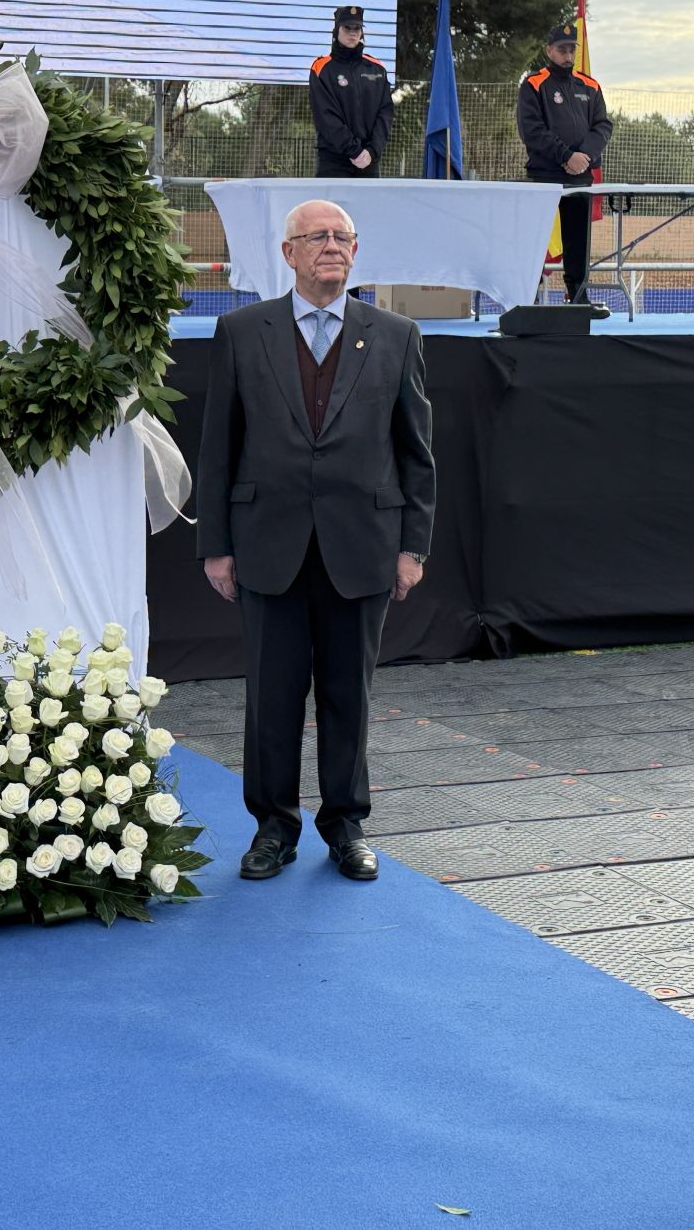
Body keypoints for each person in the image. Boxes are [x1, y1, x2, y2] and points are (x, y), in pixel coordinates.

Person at [196, 199, 436, 883]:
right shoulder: (242, 332)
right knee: (271, 698)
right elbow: (219, 446)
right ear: (289, 253)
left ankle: (346, 826)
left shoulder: (397, 335)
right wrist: (216, 545)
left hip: (362, 547)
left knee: (347, 695)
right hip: (266, 545)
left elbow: (416, 452)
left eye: (342, 237)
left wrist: (412, 547)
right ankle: (273, 828)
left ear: (355, 252)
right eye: (317, 237)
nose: (332, 246)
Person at [516, 23, 611, 306]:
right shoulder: (534, 85)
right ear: (549, 51)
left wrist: (583, 157)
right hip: (544, 176)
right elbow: (532, 130)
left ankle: (578, 297)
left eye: (571, 50)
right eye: (562, 50)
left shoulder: (590, 86)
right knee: (536, 241)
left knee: (578, 240)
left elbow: (603, 126)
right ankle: (528, 298)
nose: (568, 56)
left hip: (580, 176)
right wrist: (566, 156)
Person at [309, 6, 394, 178]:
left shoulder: (377, 68)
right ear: (336, 30)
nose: (353, 33)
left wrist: (372, 150)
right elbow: (325, 116)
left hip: (368, 161)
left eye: (357, 28)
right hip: (334, 161)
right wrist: (353, 150)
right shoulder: (321, 68)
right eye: (347, 28)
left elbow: (385, 113)